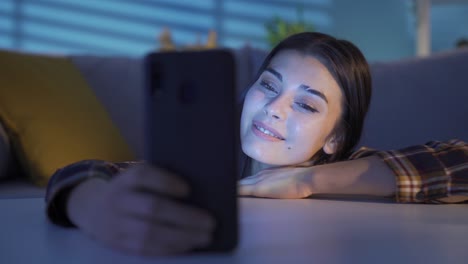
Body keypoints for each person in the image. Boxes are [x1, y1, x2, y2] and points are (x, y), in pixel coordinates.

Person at [45, 32, 468, 256]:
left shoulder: (358, 172)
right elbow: (82, 173)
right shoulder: (204, 172)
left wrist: (305, 182)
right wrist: (95, 205)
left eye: (305, 104)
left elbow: (460, 162)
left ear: (336, 136)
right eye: (268, 86)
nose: (275, 109)